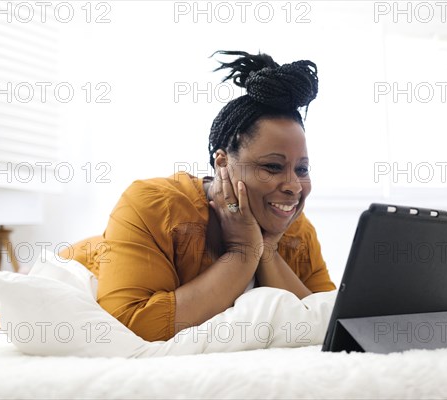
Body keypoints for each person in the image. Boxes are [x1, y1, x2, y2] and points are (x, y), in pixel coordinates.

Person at [91, 51, 336, 342]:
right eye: (272, 166)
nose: (294, 186)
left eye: (302, 168)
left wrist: (266, 249)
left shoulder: (297, 230)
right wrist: (243, 253)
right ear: (222, 163)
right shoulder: (151, 205)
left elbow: (328, 321)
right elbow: (130, 327)